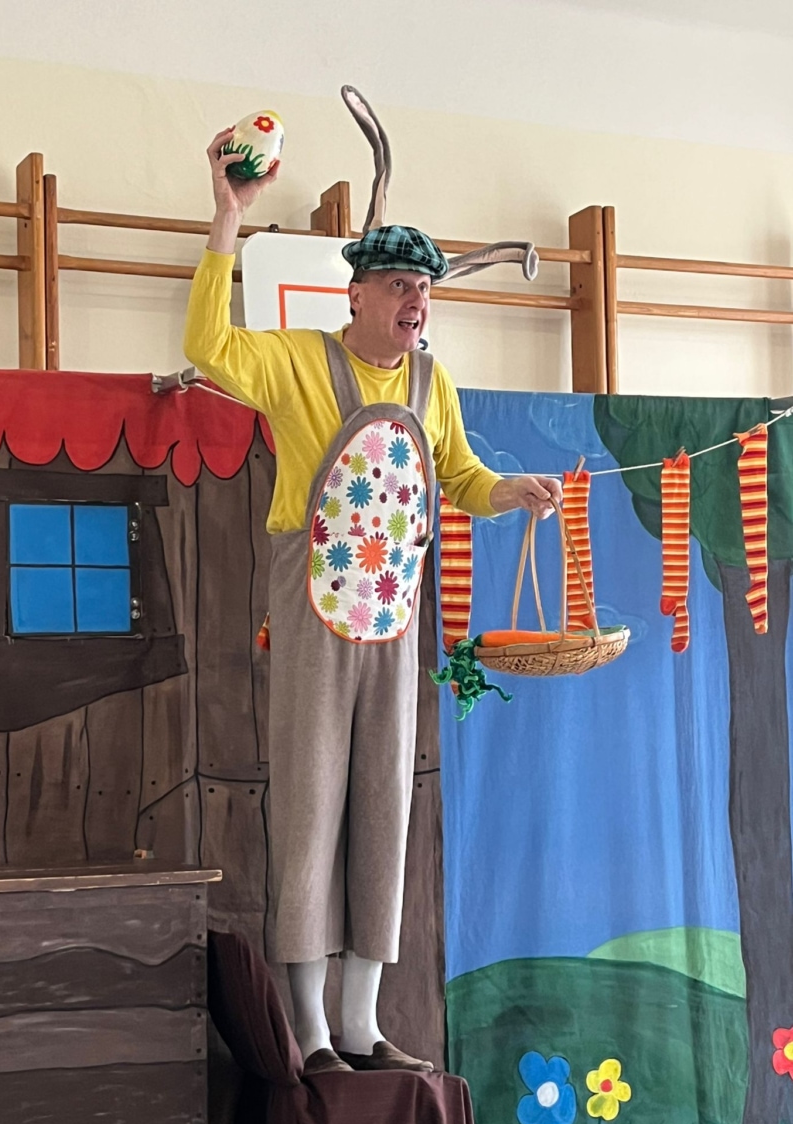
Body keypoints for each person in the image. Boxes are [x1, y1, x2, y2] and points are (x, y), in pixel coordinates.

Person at [184, 127, 562, 1075]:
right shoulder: (296, 362)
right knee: (310, 806)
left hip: (394, 620)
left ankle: (362, 1024)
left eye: (423, 288)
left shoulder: (434, 383)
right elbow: (206, 345)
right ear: (355, 293)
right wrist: (228, 221)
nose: (415, 301)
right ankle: (310, 1030)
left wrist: (508, 492)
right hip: (314, 612)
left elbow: (460, 477)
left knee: (383, 807)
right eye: (398, 284)